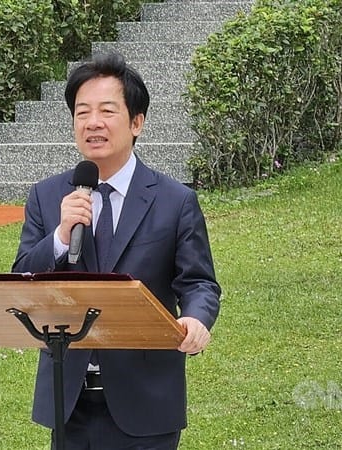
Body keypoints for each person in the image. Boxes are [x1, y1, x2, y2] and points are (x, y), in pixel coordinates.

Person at [12, 52, 221, 449]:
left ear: (136, 122)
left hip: (146, 400)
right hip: (68, 401)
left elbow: (198, 282)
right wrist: (59, 234)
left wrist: (196, 319)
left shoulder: (175, 201)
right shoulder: (47, 195)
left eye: (107, 111)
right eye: (82, 112)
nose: (93, 122)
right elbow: (24, 276)